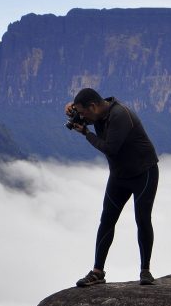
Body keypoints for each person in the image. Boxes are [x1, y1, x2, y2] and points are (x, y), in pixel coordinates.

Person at [65, 88, 159, 287]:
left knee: (142, 219)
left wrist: (86, 134)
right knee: (107, 220)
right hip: (119, 175)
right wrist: (72, 109)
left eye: (84, 113)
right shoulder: (99, 111)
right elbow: (87, 116)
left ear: (93, 106)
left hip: (144, 173)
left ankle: (145, 271)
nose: (83, 117)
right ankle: (97, 272)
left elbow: (110, 148)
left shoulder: (120, 116)